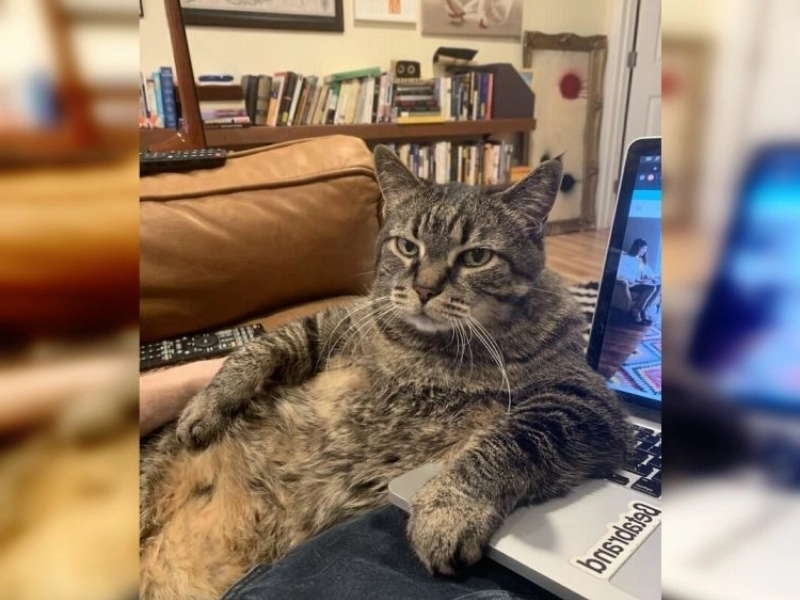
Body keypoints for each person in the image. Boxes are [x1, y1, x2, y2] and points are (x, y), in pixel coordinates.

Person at [617, 238, 660, 324]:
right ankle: (636, 310)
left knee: (659, 286)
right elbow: (620, 273)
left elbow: (650, 273)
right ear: (637, 247)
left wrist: (648, 277)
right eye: (643, 248)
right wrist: (636, 279)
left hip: (640, 283)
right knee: (652, 288)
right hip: (631, 283)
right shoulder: (626, 258)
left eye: (645, 249)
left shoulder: (641, 261)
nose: (644, 251)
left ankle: (644, 310)